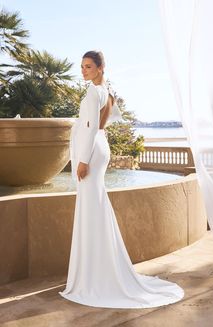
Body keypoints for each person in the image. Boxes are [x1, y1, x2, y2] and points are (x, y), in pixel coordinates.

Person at [59, 50, 184, 308]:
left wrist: (82, 159)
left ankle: (95, 275)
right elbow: (107, 121)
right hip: (100, 147)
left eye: (88, 66)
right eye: (82, 66)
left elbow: (91, 126)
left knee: (91, 208)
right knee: (95, 206)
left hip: (92, 151)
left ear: (101, 68)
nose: (83, 70)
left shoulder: (94, 93)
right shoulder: (107, 93)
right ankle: (98, 269)